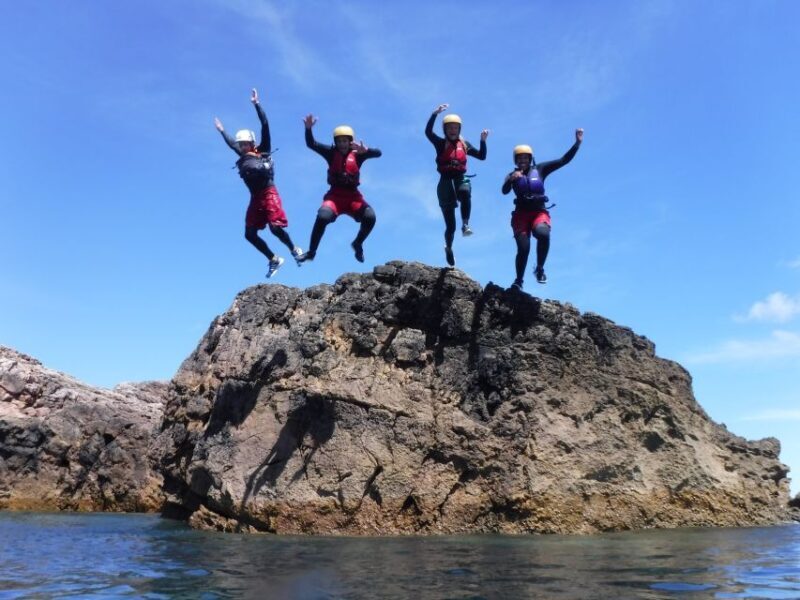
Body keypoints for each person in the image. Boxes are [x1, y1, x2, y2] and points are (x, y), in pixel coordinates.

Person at [214, 88, 302, 278]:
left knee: (275, 228)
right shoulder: (242, 154)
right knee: (250, 235)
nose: (243, 147)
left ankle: (294, 249)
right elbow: (231, 143)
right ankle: (273, 259)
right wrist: (222, 131)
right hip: (255, 198)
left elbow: (265, 124)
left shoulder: (263, 150)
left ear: (252, 143)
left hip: (269, 193)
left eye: (246, 144)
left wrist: (256, 104)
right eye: (242, 145)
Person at [502, 129, 584, 289]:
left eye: (525, 158)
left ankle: (539, 269)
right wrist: (511, 179)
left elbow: (563, 160)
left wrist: (577, 143)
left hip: (539, 212)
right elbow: (504, 191)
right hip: (521, 216)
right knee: (523, 248)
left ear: (530, 159)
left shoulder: (540, 169)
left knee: (543, 234)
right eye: (519, 158)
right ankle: (519, 281)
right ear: (516, 161)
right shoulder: (512, 175)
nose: (523, 160)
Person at [297, 115, 381, 264]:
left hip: (353, 197)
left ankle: (357, 243)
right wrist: (308, 129)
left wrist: (366, 150)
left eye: (345, 141)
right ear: (335, 142)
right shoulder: (330, 153)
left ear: (350, 142)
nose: (342, 144)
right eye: (339, 141)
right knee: (322, 217)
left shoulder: (358, 155)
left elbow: (378, 153)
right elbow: (311, 144)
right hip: (334, 197)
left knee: (370, 217)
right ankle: (311, 252)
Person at [425, 103, 488, 267]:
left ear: (459, 129)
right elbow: (428, 133)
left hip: (460, 177)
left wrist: (482, 141)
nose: (453, 130)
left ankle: (466, 224)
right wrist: (434, 114)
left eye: (455, 128)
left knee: (465, 192)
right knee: (450, 227)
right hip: (445, 183)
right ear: (445, 130)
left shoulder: (464, 144)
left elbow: (482, 156)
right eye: (450, 128)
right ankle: (449, 248)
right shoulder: (440, 144)